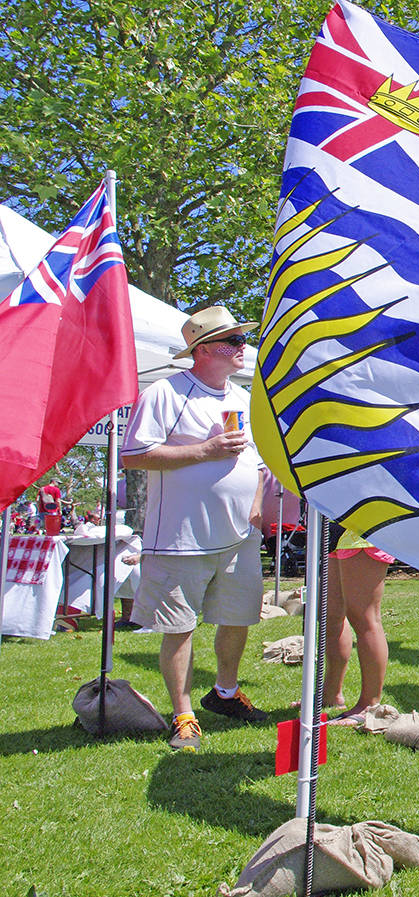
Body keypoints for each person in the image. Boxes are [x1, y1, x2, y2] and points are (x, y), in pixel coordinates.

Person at [120, 306, 268, 752]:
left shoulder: (241, 398)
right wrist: (205, 450)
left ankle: (224, 693)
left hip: (239, 537)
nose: (242, 347)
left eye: (242, 339)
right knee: (179, 626)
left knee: (237, 619)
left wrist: (256, 511)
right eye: (233, 340)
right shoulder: (166, 392)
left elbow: (257, 465)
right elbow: (134, 454)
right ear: (202, 351)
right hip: (181, 538)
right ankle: (183, 714)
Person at [323, 522, 395, 725]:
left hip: (364, 525)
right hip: (337, 525)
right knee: (331, 616)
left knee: (364, 617)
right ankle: (331, 695)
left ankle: (368, 705)